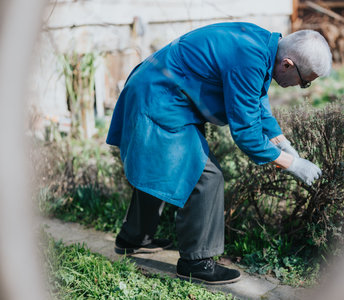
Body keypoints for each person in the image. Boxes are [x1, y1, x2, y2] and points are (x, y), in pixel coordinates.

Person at [106, 22, 332, 284]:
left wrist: (281, 141)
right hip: (160, 97)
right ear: (288, 65)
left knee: (161, 166)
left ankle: (133, 238)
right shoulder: (249, 59)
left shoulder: (263, 45)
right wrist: (292, 164)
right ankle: (196, 262)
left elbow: (255, 97)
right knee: (205, 176)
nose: (299, 87)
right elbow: (246, 134)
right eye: (304, 83)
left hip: (161, 88)